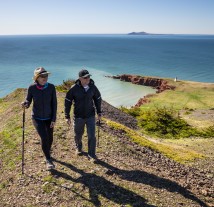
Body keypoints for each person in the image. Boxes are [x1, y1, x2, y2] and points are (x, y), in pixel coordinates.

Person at [21, 67, 57, 170]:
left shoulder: (51, 87)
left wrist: (53, 119)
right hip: (36, 117)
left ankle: (47, 151)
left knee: (50, 138)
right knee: (44, 137)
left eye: (46, 76)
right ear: (37, 78)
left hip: (49, 117)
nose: (44, 78)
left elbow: (54, 104)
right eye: (42, 76)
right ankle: (48, 159)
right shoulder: (32, 88)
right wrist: (25, 104)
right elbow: (28, 101)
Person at [65, 69, 102, 162]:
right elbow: (68, 101)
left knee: (91, 136)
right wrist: (67, 116)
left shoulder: (93, 87)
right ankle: (78, 147)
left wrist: (99, 112)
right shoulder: (74, 88)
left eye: (89, 77)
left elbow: (98, 99)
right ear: (80, 78)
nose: (88, 79)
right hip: (78, 117)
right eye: (85, 77)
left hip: (90, 116)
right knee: (78, 135)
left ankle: (92, 155)